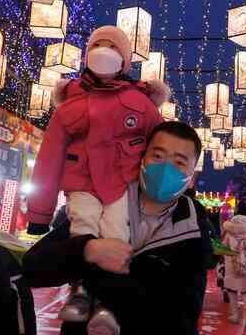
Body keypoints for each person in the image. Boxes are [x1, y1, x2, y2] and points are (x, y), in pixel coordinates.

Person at [26, 25, 169, 327]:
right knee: (84, 228)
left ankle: (107, 298)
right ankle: (81, 290)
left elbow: (162, 147)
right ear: (87, 53)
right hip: (82, 184)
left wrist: (166, 190)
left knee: (117, 233)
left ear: (126, 60)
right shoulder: (70, 105)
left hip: (123, 185)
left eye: (112, 46)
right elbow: (48, 159)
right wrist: (40, 212)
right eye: (98, 44)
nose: (103, 51)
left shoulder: (141, 104)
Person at [23, 121, 213, 335]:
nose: (165, 169)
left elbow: (183, 316)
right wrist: (88, 249)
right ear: (142, 160)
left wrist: (102, 281)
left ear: (191, 178)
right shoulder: (103, 203)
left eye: (179, 162)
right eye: (157, 156)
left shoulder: (194, 228)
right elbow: (33, 267)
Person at [222, 214, 246, 327]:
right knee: (245, 291)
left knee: (231, 290)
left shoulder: (230, 231)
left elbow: (224, 248)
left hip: (232, 267)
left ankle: (235, 315)